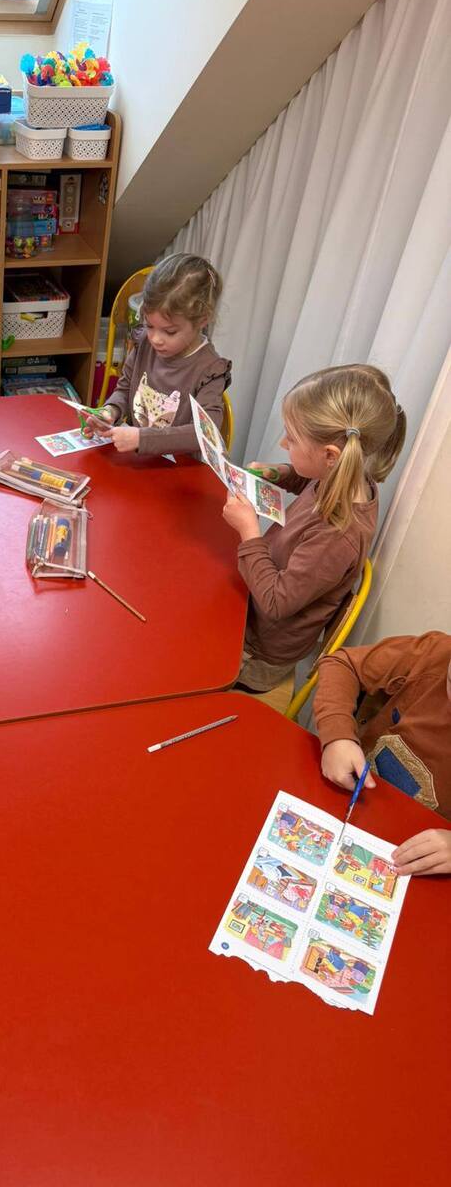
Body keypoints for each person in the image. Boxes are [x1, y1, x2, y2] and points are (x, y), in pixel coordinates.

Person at [222, 364, 405, 692]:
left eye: (291, 438)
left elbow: (276, 603)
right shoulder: (344, 476)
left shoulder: (338, 535)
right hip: (248, 607)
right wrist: (279, 473)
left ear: (331, 455)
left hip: (257, 654)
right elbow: (310, 479)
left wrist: (249, 531)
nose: (283, 442)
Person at [313, 630, 451, 875]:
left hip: (413, 856)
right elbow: (343, 663)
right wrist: (338, 734)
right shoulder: (435, 653)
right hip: (348, 798)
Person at [83, 253, 230, 456]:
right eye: (149, 325)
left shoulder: (210, 370)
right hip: (137, 461)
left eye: (170, 331)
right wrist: (110, 411)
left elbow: (205, 434)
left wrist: (142, 439)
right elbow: (124, 390)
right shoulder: (144, 342)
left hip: (179, 468)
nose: (155, 339)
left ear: (202, 320)